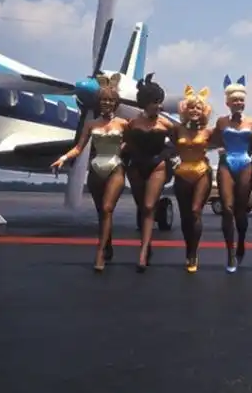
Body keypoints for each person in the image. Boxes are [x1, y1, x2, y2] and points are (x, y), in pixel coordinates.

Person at [50, 76, 128, 272]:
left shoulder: (124, 124)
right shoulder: (91, 124)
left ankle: (100, 253)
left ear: (116, 103)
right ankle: (108, 245)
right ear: (98, 103)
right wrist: (63, 158)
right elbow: (79, 147)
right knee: (102, 211)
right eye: (103, 100)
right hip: (96, 169)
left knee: (108, 208)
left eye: (110, 100)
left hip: (116, 167)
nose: (107, 103)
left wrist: (125, 149)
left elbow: (133, 142)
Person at [122, 73, 176, 273]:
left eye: (160, 102)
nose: (158, 106)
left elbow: (176, 144)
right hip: (136, 167)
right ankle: (147, 244)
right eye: (155, 102)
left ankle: (143, 253)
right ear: (145, 103)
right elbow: (126, 143)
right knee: (142, 207)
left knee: (149, 206)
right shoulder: (132, 123)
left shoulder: (166, 124)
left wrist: (164, 155)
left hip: (157, 166)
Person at [211, 75, 252, 273]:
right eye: (234, 100)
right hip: (226, 162)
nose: (238, 103)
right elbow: (213, 139)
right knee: (227, 208)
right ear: (227, 103)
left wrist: (248, 154)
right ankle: (230, 252)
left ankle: (242, 241)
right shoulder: (221, 122)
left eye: (240, 100)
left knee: (241, 208)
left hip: (244, 162)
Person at [172, 85, 214, 273]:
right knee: (185, 216)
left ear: (203, 111)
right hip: (182, 172)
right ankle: (188, 247)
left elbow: (228, 138)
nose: (195, 110)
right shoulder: (177, 129)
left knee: (195, 211)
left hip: (201, 171)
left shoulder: (209, 131)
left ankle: (193, 253)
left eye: (198, 107)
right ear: (185, 110)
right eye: (191, 107)